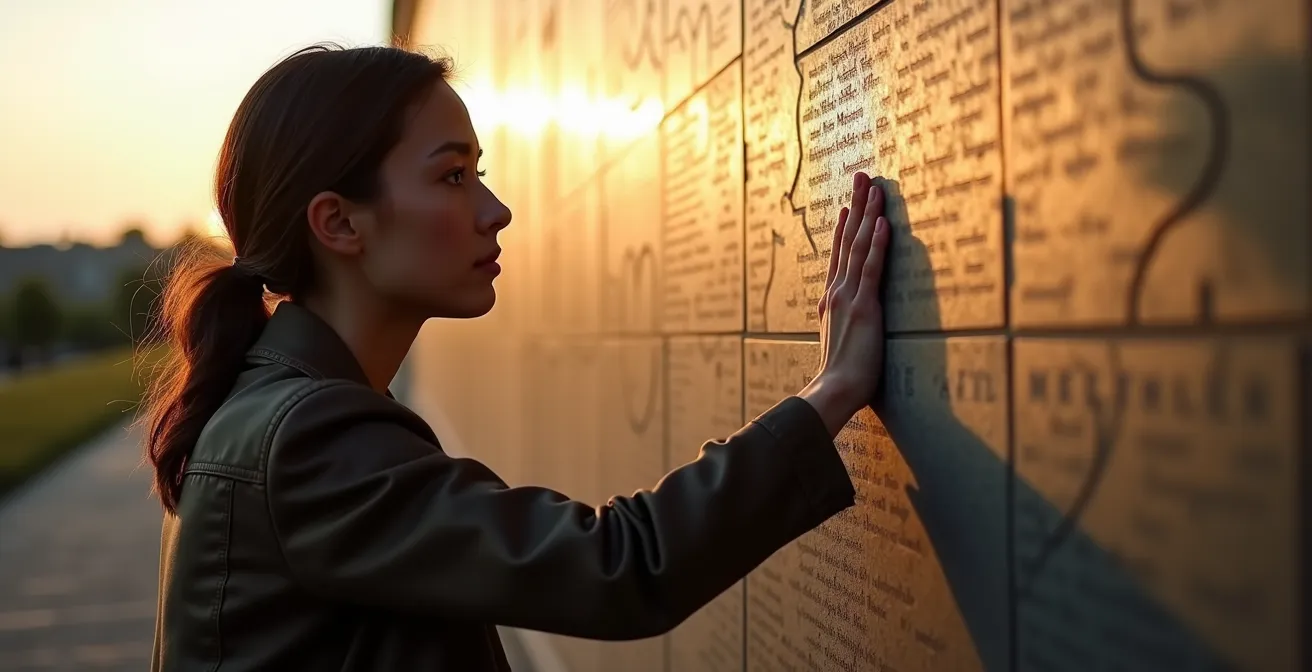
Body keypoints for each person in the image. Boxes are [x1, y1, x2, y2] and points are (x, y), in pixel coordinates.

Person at [144, 44, 891, 672]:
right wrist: (830, 392)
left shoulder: (287, 411)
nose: (495, 210)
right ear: (339, 222)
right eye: (452, 176)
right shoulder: (306, 441)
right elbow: (619, 569)